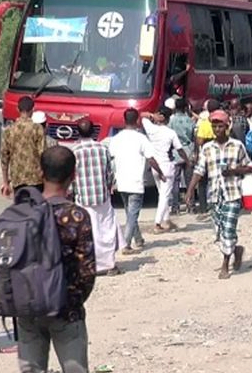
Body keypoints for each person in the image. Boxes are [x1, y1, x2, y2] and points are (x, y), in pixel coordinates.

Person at [0, 146, 99, 373]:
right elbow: (86, 270)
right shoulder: (76, 215)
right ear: (72, 175)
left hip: (26, 308)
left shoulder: (22, 210)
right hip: (64, 312)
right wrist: (74, 302)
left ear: (41, 171)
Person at [185, 110, 252, 280]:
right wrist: (189, 191)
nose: (217, 129)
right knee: (219, 231)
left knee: (229, 229)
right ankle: (235, 250)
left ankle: (225, 263)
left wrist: (234, 171)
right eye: (214, 126)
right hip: (214, 195)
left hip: (232, 194)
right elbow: (200, 170)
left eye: (220, 126)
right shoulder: (207, 148)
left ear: (227, 126)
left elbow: (249, 167)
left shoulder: (237, 146)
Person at [108, 108, 165, 254]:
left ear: (124, 119)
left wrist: (111, 180)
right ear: (137, 120)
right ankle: (126, 244)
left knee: (130, 212)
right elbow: (151, 159)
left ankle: (138, 239)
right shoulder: (141, 139)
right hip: (135, 182)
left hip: (120, 181)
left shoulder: (116, 139)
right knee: (132, 214)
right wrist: (161, 173)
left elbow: (110, 159)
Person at [71, 119, 123, 276]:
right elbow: (109, 172)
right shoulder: (102, 148)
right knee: (105, 230)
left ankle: (89, 265)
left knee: (87, 231)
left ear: (78, 133)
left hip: (83, 198)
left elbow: (71, 177)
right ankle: (109, 265)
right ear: (93, 132)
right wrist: (109, 186)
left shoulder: (74, 151)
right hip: (102, 196)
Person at [141, 108, 189, 232]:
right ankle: (157, 223)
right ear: (168, 119)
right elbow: (180, 150)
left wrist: (152, 115)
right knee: (164, 196)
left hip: (155, 166)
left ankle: (167, 220)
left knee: (162, 194)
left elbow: (141, 115)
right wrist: (187, 161)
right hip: (166, 166)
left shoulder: (151, 128)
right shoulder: (170, 133)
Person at [0, 95, 45, 198]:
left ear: (17, 109)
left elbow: (4, 158)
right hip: (36, 179)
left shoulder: (8, 130)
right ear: (33, 109)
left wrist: (6, 182)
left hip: (17, 179)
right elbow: (43, 153)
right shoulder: (37, 128)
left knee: (21, 209)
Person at [168, 97, 195, 215]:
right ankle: (191, 206)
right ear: (185, 107)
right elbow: (194, 137)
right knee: (190, 181)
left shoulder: (171, 121)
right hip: (188, 152)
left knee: (175, 181)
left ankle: (175, 207)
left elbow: (169, 138)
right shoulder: (190, 121)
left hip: (176, 153)